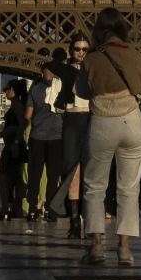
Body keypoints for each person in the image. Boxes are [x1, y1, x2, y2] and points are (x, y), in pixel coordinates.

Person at [76, 8, 141, 266]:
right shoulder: (137, 56)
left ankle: (96, 246)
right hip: (132, 121)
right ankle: (125, 248)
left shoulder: (91, 59)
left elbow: (82, 92)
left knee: (94, 187)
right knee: (129, 188)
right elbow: (140, 87)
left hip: (103, 121)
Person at [50, 36, 91, 237]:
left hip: (91, 119)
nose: (81, 53)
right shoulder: (66, 72)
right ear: (70, 50)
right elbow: (50, 66)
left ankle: (89, 219)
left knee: (90, 172)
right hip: (73, 120)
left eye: (85, 49)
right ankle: (75, 221)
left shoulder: (94, 70)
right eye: (77, 49)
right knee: (72, 172)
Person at [25, 62, 64, 224]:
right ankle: (51, 210)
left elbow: (28, 115)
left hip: (37, 137)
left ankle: (33, 210)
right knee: (53, 176)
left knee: (35, 175)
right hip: (56, 137)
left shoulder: (35, 89)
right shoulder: (61, 89)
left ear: (42, 74)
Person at [0, 80, 28, 220]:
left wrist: (15, 141)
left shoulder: (17, 105)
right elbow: (14, 126)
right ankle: (15, 208)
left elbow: (21, 125)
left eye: (6, 90)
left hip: (13, 145)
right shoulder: (17, 104)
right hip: (14, 144)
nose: (5, 92)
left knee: (4, 178)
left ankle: (6, 208)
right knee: (15, 179)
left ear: (13, 90)